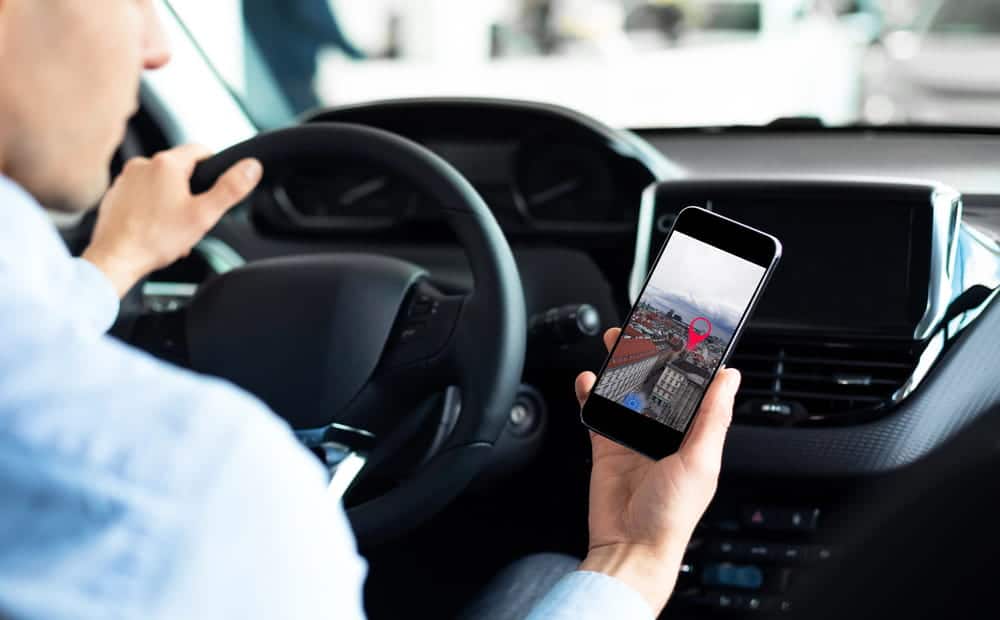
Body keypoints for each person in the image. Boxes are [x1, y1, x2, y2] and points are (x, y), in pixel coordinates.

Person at [0, 1, 740, 618]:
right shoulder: (194, 496)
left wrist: (111, 266)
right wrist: (633, 563)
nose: (156, 45)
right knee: (547, 579)